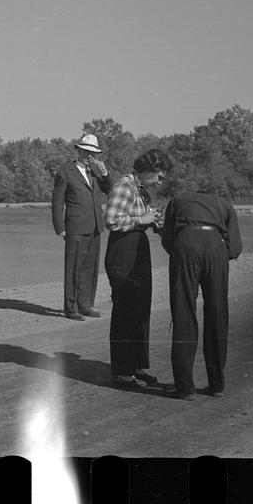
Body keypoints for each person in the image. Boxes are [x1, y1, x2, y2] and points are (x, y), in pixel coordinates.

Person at [159, 188, 243, 399]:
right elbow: (235, 249)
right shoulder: (224, 204)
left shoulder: (177, 198)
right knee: (217, 312)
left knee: (183, 311)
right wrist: (220, 253)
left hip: (186, 244)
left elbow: (167, 238)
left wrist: (181, 249)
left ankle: (185, 387)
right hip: (216, 247)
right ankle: (216, 384)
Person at [103, 148, 172, 387]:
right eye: (159, 176)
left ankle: (136, 366)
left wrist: (153, 220)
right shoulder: (124, 185)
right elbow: (111, 220)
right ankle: (122, 371)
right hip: (123, 253)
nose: (160, 182)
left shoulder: (140, 191)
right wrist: (141, 220)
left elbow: (136, 218)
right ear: (148, 169)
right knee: (125, 310)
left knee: (141, 309)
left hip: (137, 251)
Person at [51, 133, 112, 321]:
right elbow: (57, 202)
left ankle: (85, 305)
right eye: (86, 151)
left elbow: (110, 190)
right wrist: (60, 227)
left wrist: (105, 174)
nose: (89, 156)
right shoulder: (65, 171)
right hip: (75, 227)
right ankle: (71, 308)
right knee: (73, 269)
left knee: (90, 269)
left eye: (93, 153)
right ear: (79, 150)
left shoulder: (95, 172)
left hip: (95, 226)